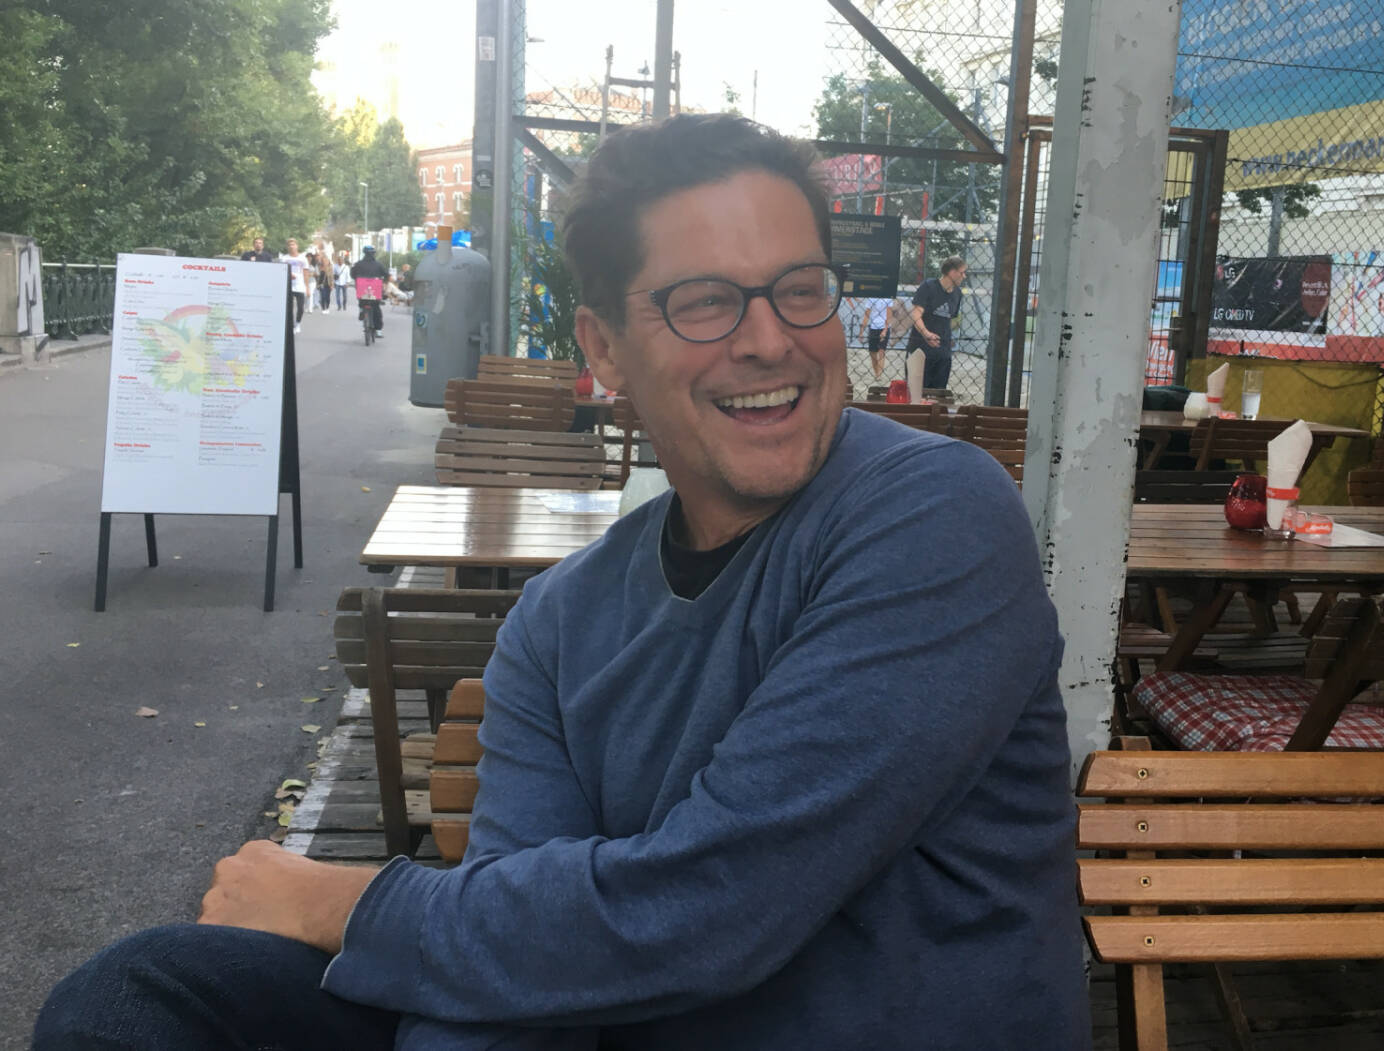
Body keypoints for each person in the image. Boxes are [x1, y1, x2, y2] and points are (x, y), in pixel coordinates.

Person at [34, 114, 1089, 1050]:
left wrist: (344, 906)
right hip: (605, 1014)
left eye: (800, 290)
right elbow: (508, 971)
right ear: (605, 349)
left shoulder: (935, 514)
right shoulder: (559, 618)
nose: (771, 340)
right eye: (706, 302)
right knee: (143, 992)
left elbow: (715, 907)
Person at [905, 255, 967, 391]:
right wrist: (926, 333)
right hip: (920, 349)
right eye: (962, 272)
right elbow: (916, 314)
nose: (964, 276)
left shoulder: (957, 293)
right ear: (952, 272)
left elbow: (950, 319)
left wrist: (949, 337)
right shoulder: (928, 286)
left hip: (943, 353)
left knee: (938, 394)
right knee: (915, 393)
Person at [351, 245, 386, 337]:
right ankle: (378, 330)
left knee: (362, 301)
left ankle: (361, 310)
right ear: (373, 254)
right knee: (376, 309)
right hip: (375, 291)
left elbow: (352, 274)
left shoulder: (358, 264)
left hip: (362, 289)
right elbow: (385, 274)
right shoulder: (378, 264)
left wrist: (358, 278)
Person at [861, 294, 895, 378]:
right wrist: (861, 332)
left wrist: (885, 330)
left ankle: (879, 374)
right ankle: (876, 372)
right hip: (873, 327)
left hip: (884, 327)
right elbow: (866, 315)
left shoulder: (888, 298)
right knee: (872, 352)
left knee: (881, 351)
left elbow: (889, 315)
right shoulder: (871, 298)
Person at [282, 238, 309, 333]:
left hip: (300, 286)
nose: (291, 246)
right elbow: (281, 272)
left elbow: (306, 273)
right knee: (289, 308)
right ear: (287, 247)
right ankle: (291, 325)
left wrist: (307, 287)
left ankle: (298, 323)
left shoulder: (303, 258)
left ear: (297, 246)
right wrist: (289, 275)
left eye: (293, 244)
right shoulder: (284, 258)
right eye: (289, 245)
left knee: (301, 308)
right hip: (288, 286)